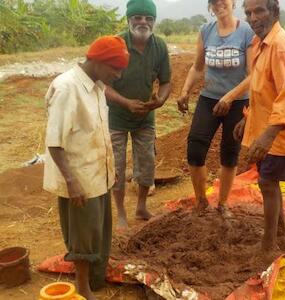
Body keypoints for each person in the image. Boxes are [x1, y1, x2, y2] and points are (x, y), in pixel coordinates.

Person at [43, 36, 129, 299]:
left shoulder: (97, 86)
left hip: (97, 174)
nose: (118, 74)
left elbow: (99, 132)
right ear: (97, 61)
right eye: (115, 68)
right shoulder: (67, 88)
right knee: (83, 235)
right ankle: (83, 288)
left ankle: (94, 279)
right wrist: (72, 181)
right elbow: (54, 141)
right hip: (78, 176)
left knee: (99, 230)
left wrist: (110, 168)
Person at [233, 0, 285, 251]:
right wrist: (247, 118)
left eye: (259, 11)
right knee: (269, 180)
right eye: (248, 13)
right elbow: (263, 89)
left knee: (267, 182)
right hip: (269, 127)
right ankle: (279, 231)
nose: (253, 18)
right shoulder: (260, 44)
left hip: (279, 132)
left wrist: (267, 135)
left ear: (274, 11)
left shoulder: (280, 46)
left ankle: (268, 245)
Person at [177, 0, 254, 215]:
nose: (219, 3)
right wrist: (185, 91)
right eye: (214, 0)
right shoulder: (206, 30)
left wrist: (230, 97)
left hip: (238, 101)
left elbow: (253, 74)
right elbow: (197, 67)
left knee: (230, 152)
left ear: (234, 2)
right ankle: (201, 202)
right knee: (195, 148)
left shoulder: (246, 31)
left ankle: (222, 204)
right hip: (209, 98)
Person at [105, 0, 171, 229]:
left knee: (147, 163)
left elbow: (166, 82)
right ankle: (121, 212)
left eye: (148, 18)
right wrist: (125, 102)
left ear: (154, 21)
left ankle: (141, 208)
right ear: (129, 19)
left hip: (145, 116)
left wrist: (160, 100)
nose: (143, 22)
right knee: (118, 166)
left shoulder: (159, 47)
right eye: (138, 17)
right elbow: (102, 84)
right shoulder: (116, 45)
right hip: (116, 117)